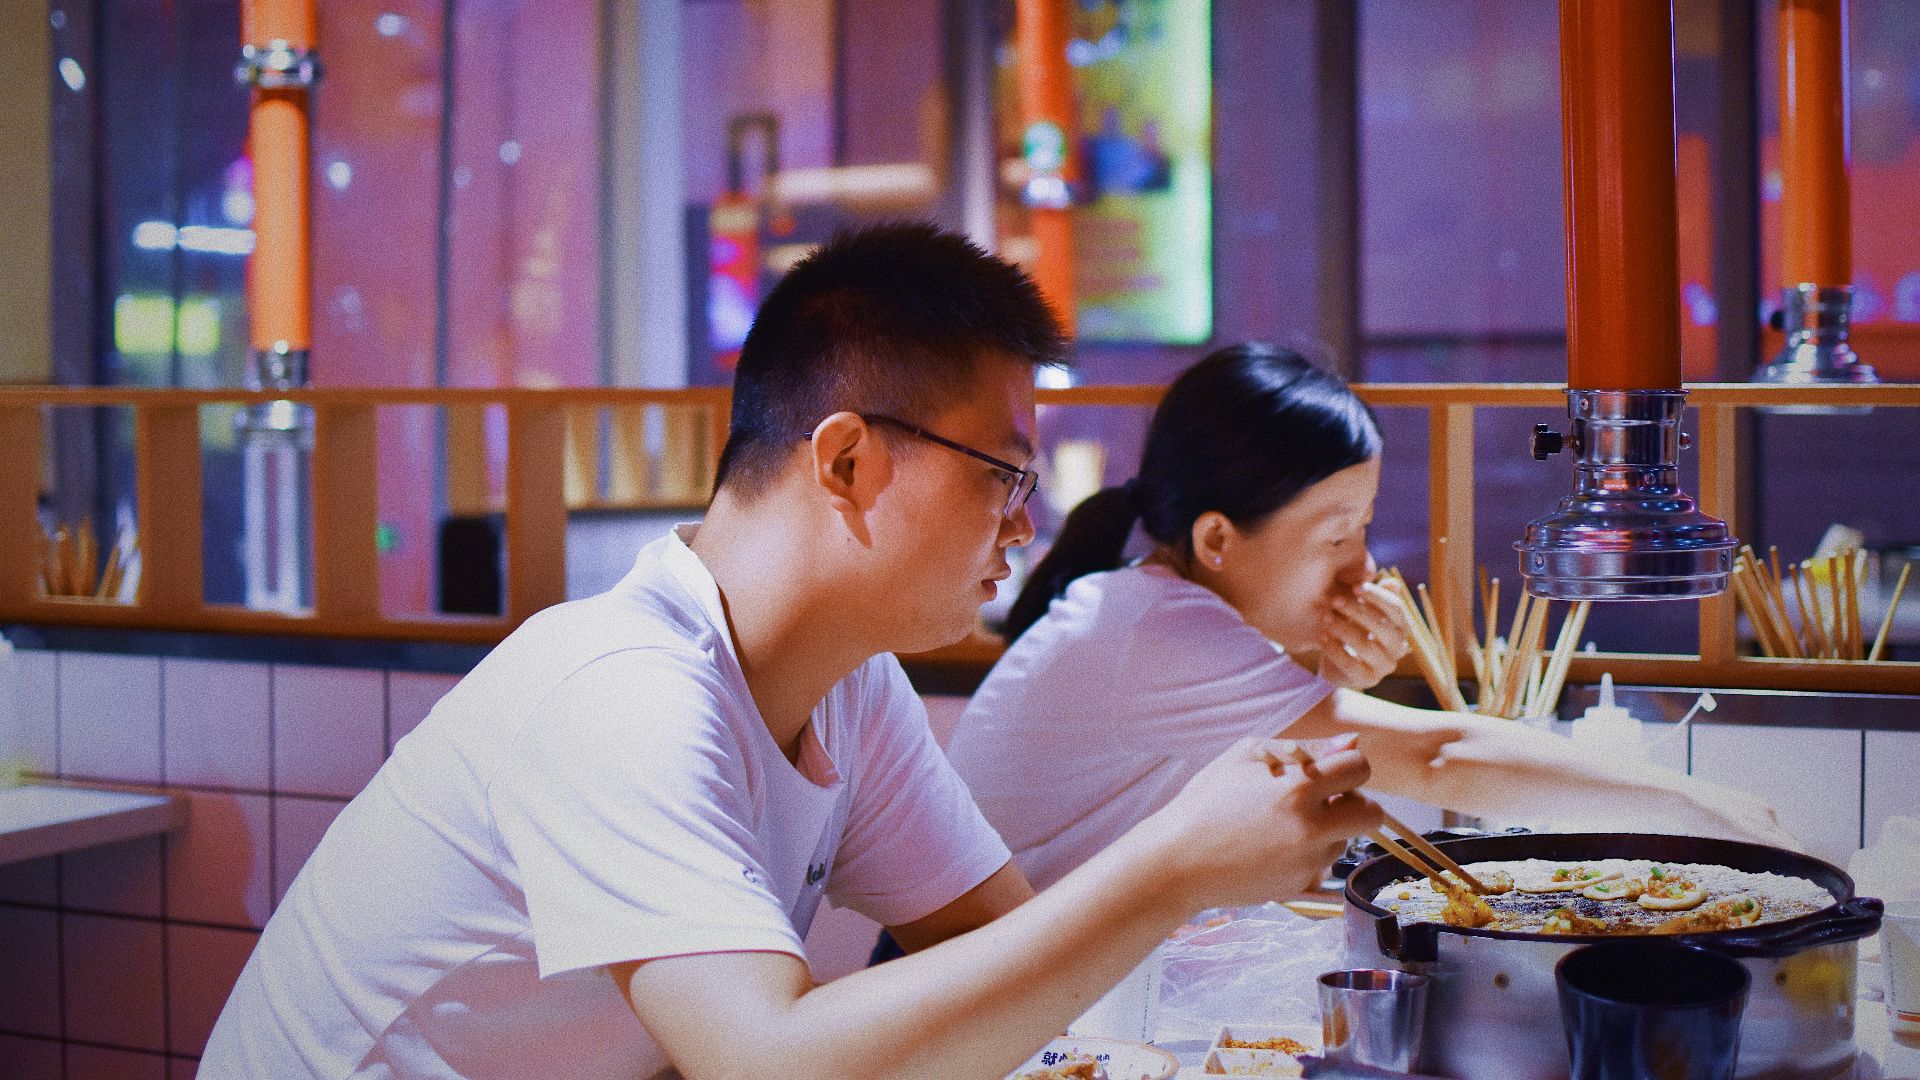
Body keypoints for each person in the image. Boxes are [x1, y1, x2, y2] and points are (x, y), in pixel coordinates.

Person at [199, 226, 1382, 1079]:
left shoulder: (852, 686)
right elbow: (769, 1064)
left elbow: (1001, 958)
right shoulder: (622, 691)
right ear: (848, 461)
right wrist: (1172, 865)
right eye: (1004, 475)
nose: (1025, 526)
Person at [945, 343, 1792, 893]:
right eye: (1336, 535)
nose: (1364, 566)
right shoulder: (1156, 632)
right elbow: (1440, 755)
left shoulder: (1151, 611)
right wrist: (1703, 806)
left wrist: (1329, 681)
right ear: (1217, 540)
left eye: (1365, 528)